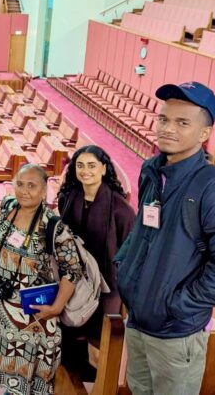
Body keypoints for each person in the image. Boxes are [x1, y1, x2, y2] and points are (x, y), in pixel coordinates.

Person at [115, 82, 215, 395]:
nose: (168, 129)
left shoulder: (214, 191)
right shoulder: (152, 171)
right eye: (164, 119)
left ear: (204, 134)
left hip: (176, 334)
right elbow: (141, 232)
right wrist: (126, 275)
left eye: (182, 122)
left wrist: (176, 305)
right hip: (138, 319)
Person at [0, 164, 83, 395]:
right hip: (1, 307)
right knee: (9, 378)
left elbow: (73, 271)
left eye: (32, 186)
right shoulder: (7, 206)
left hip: (33, 315)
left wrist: (56, 307)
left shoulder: (53, 226)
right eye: (20, 184)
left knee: (29, 381)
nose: (24, 191)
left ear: (45, 190)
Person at [56, 145, 136, 381]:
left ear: (103, 168)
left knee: (97, 352)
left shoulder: (122, 210)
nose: (85, 171)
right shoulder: (68, 198)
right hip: (73, 284)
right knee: (69, 345)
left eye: (92, 165)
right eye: (80, 165)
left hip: (106, 289)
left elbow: (129, 255)